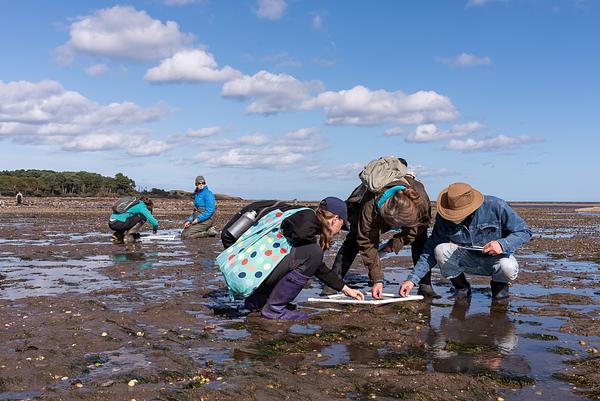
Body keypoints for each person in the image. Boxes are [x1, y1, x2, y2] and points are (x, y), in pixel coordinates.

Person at [229, 197, 364, 320]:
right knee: (314, 253)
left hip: (251, 268)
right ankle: (274, 309)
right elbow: (313, 259)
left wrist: (344, 288)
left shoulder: (300, 215)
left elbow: (314, 264)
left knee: (309, 255)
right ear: (335, 218)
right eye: (342, 225)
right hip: (254, 271)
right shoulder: (307, 218)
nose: (340, 231)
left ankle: (257, 302)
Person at [323, 159, 439, 299]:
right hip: (373, 210)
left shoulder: (420, 200)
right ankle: (332, 283)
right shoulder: (369, 206)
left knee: (420, 240)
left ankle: (425, 284)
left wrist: (395, 244)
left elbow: (417, 229)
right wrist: (377, 279)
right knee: (354, 238)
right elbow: (367, 241)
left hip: (412, 217)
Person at [400, 182, 532, 301]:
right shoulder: (444, 217)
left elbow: (524, 232)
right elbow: (429, 250)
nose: (454, 217)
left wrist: (502, 244)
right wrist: (412, 280)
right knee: (440, 249)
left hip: (495, 260)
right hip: (467, 259)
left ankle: (500, 291)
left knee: (507, 266)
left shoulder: (497, 206)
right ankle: (462, 289)